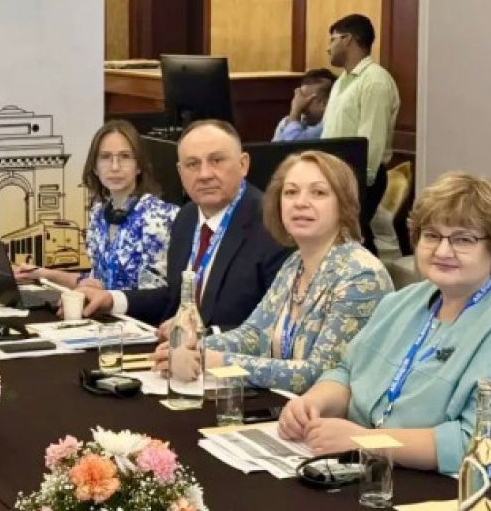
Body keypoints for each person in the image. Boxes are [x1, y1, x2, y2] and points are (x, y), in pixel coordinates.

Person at [279, 172, 491, 499]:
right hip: (382, 477)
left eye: (463, 240)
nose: (443, 250)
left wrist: (367, 442)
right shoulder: (404, 301)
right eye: (431, 235)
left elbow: (486, 446)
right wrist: (313, 403)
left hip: (477, 500)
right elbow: (347, 371)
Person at [155, 151, 392, 393]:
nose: (300, 203)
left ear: (343, 204)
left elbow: (320, 373)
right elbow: (254, 335)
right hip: (284, 406)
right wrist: (194, 347)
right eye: (290, 192)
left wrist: (213, 361)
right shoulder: (295, 263)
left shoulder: (361, 276)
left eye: (318, 193)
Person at [82, 120, 288, 331]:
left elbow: (278, 324)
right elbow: (174, 297)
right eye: (192, 164)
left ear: (243, 164)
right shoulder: (186, 218)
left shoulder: (273, 224)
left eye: (216, 160)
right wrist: (112, 299)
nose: (205, 174)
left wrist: (205, 336)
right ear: (180, 173)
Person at [17, 120, 176, 299]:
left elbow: (154, 297)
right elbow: (96, 282)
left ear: (139, 166)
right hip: (105, 314)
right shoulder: (98, 214)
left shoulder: (159, 216)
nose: (115, 166)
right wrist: (42, 274)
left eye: (125, 156)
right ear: (94, 167)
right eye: (106, 157)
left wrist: (106, 297)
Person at [320, 14, 401, 251]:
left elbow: (371, 140)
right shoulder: (342, 81)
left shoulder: (375, 81)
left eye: (332, 39)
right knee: (344, 241)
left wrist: (359, 185)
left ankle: (371, 276)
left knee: (353, 240)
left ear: (347, 39)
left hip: (359, 177)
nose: (328, 48)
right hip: (337, 174)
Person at [272, 68, 334, 142]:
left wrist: (295, 111)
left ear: (326, 102)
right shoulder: (286, 122)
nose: (301, 105)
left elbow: (293, 145)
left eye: (307, 100)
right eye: (300, 99)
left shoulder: (329, 125)